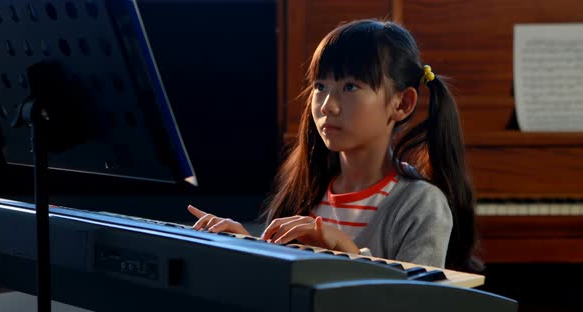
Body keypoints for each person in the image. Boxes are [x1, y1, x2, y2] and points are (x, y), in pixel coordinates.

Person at [188, 19, 479, 271]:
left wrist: (349, 254)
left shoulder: (421, 205)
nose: (327, 106)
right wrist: (245, 248)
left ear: (401, 104)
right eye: (320, 87)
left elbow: (416, 302)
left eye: (350, 86)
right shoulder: (307, 189)